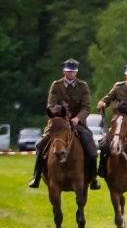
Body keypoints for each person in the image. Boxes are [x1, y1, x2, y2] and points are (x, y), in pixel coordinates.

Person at [28, 59, 102, 190]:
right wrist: (62, 116)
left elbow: (87, 107)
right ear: (64, 72)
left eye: (73, 71)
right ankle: (37, 176)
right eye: (69, 71)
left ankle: (93, 178)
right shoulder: (56, 86)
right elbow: (50, 106)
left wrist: (77, 119)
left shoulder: (82, 86)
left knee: (92, 148)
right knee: (40, 145)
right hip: (59, 123)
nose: (71, 74)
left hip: (77, 124)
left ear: (76, 72)